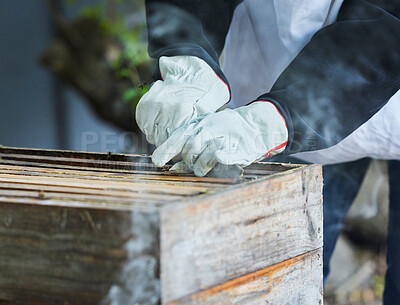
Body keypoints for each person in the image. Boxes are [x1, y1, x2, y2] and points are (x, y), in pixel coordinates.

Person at [136, 0, 400, 303]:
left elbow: (387, 26)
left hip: (361, 89)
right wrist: (187, 53)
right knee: (279, 280)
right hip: (270, 85)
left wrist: (278, 119)